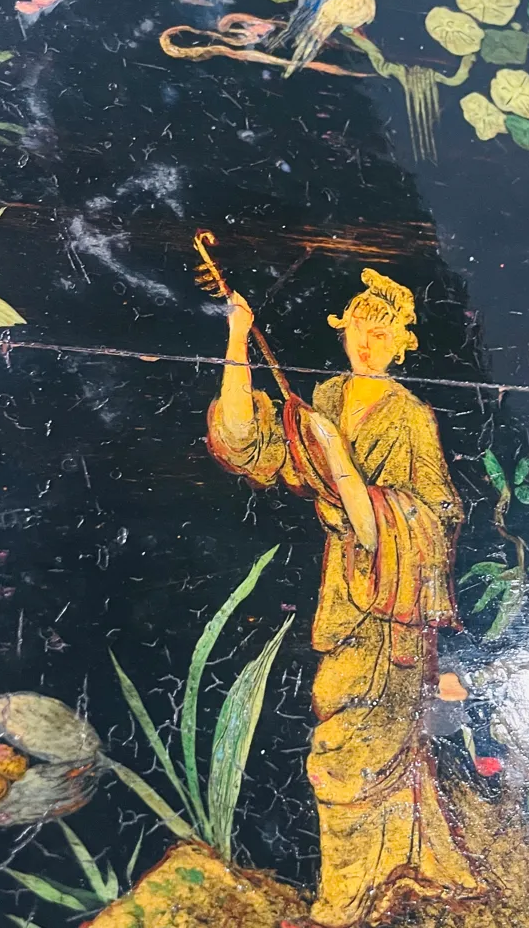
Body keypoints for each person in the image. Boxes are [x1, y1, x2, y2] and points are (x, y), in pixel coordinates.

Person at [206, 269, 484, 927]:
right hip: (344, 596)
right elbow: (247, 441)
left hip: (393, 607)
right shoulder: (327, 398)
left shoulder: (410, 417)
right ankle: (376, 880)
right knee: (343, 739)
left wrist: (347, 474)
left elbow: (434, 516)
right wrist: (239, 338)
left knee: (352, 751)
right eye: (360, 327)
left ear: (402, 345)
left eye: (383, 334)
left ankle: (347, 900)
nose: (367, 342)